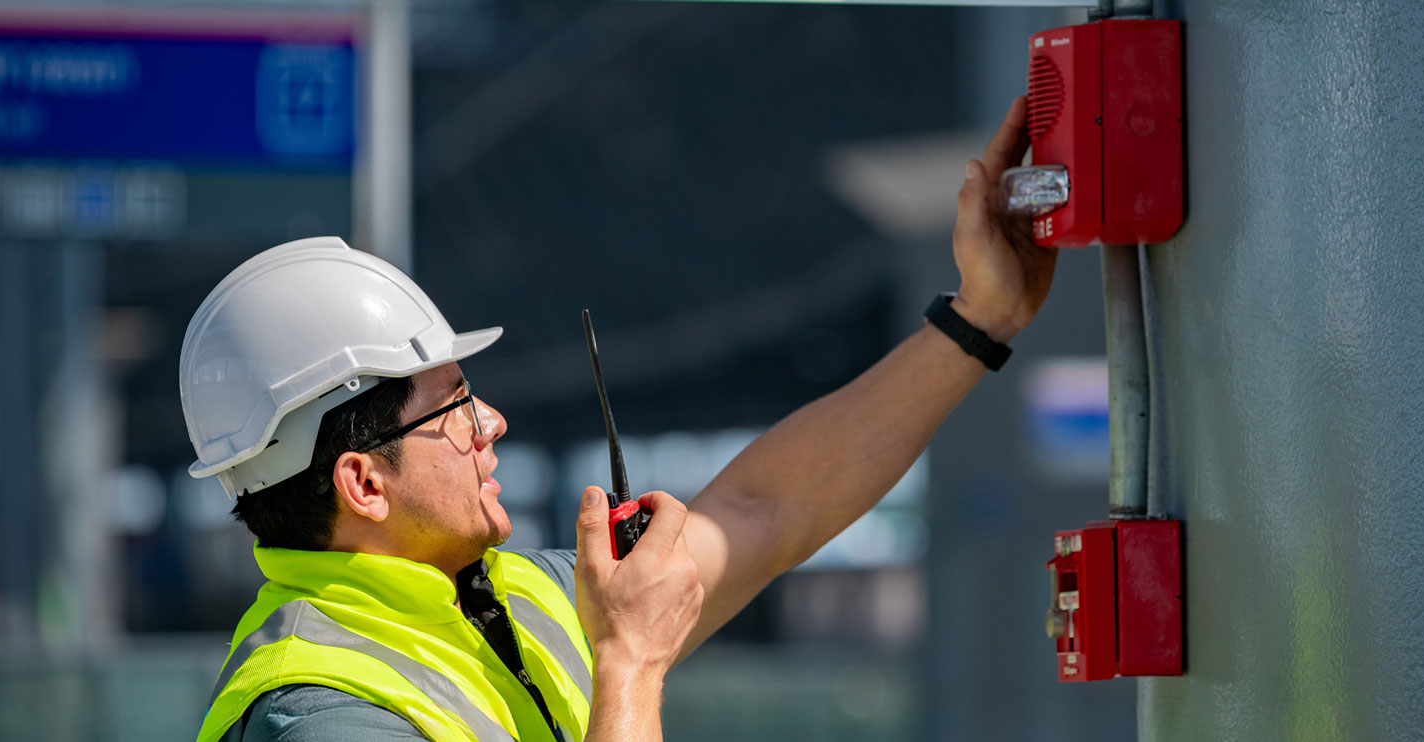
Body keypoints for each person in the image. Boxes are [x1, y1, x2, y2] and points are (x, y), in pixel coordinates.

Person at [185, 97, 1054, 742]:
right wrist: (630, 661)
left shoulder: (523, 601)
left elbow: (767, 509)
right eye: (451, 407)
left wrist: (978, 320)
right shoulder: (321, 714)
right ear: (364, 482)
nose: (492, 422)